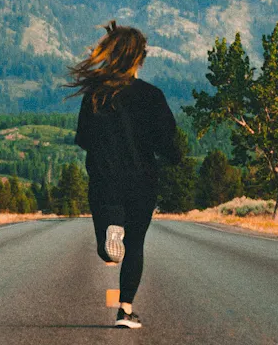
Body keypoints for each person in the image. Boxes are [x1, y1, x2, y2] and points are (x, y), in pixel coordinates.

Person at [70, 21, 180, 330]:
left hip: (105, 179)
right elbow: (166, 142)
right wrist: (175, 158)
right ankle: (125, 310)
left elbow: (84, 139)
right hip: (142, 180)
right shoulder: (152, 96)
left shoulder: (95, 95)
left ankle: (108, 232)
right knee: (136, 246)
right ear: (140, 58)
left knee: (108, 236)